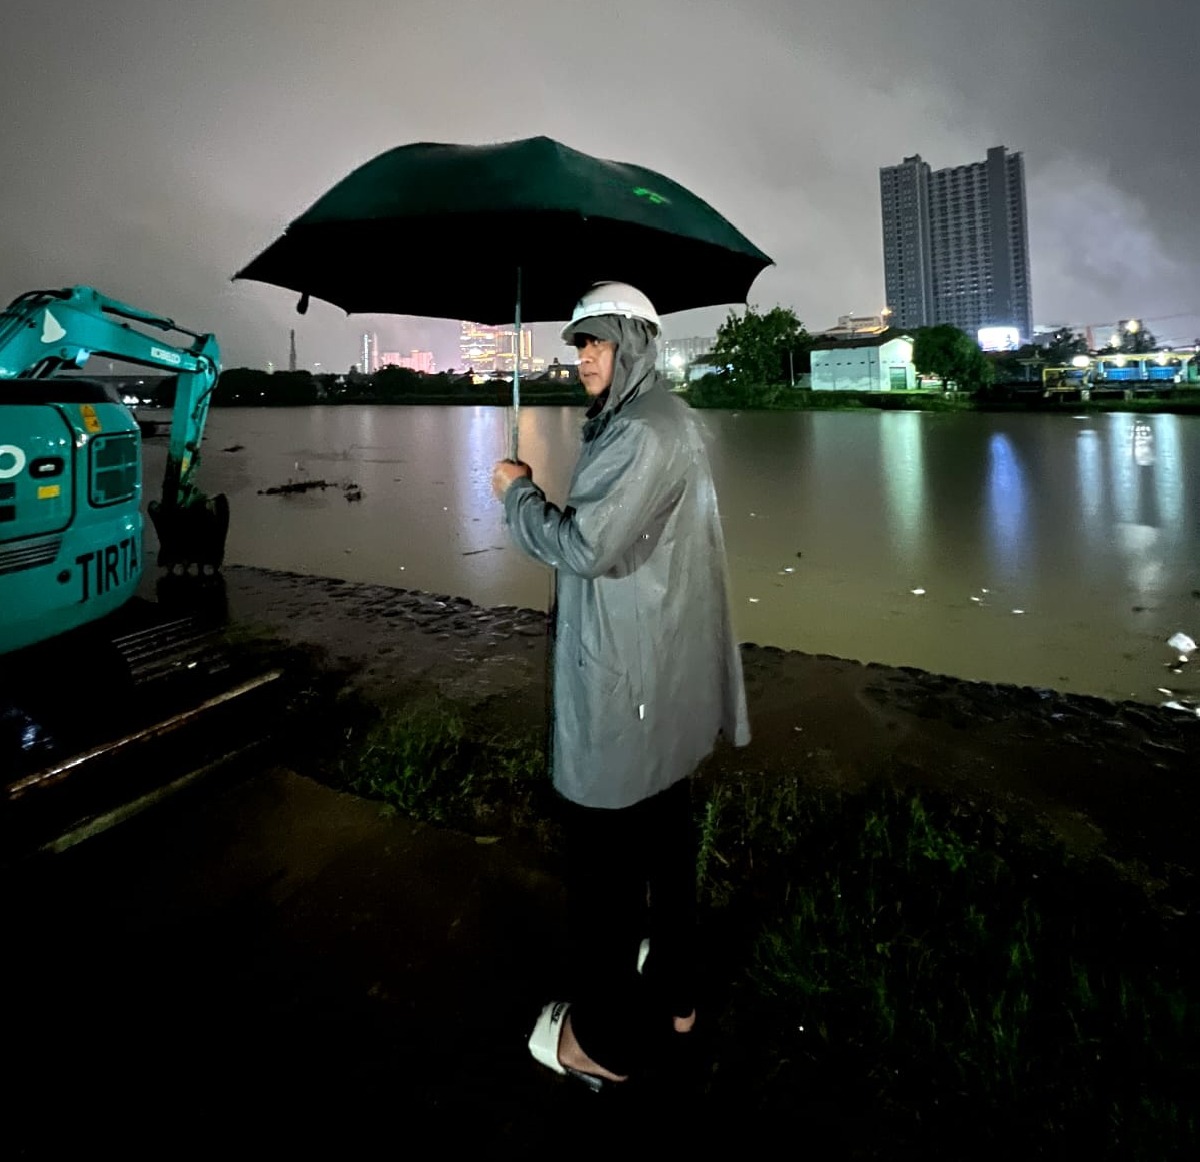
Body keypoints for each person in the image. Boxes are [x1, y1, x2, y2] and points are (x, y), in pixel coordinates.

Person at [491, 281, 750, 1088]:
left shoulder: (639, 432)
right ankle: (676, 996)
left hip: (624, 677)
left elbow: (586, 547)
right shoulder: (661, 419)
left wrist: (516, 494)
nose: (584, 358)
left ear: (635, 342)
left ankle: (596, 1044)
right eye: (578, 344)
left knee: (602, 876)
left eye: (598, 341)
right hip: (660, 673)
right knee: (665, 847)